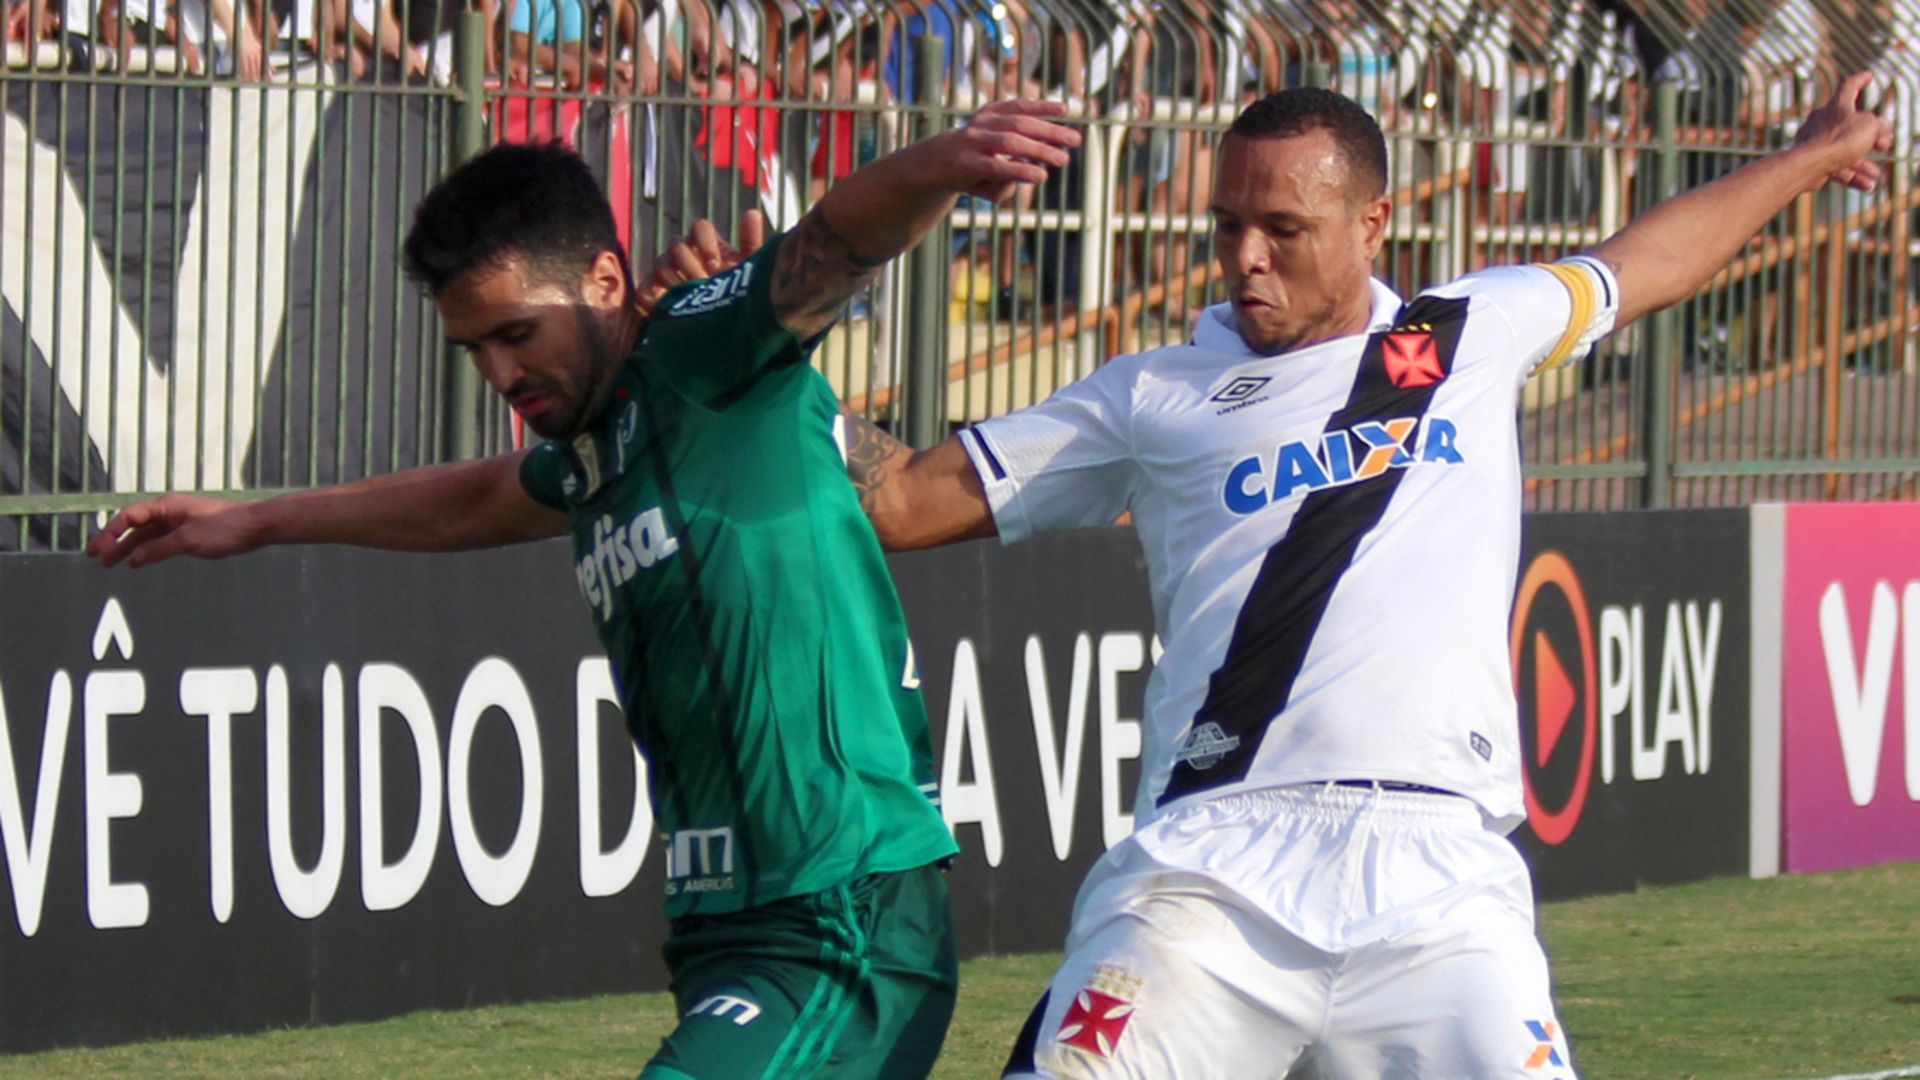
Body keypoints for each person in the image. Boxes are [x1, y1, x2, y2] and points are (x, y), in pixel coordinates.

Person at [768, 79, 1887, 1076]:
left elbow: (1650, 259)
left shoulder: (1469, 335)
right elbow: (905, 499)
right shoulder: (1150, 392)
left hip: (1440, 882)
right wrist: (744, 361)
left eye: (1284, 228)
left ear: (1373, 224)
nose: (1246, 255)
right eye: (1227, 225)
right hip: (1211, 879)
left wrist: (1808, 158)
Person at [84, 102, 1083, 1077]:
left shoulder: (700, 353)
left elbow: (835, 239)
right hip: (724, 929)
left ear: (606, 281)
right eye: (473, 347)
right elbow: (475, 500)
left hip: (841, 907)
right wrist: (255, 520)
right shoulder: (594, 450)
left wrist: (947, 161)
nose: (498, 370)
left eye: (516, 332)